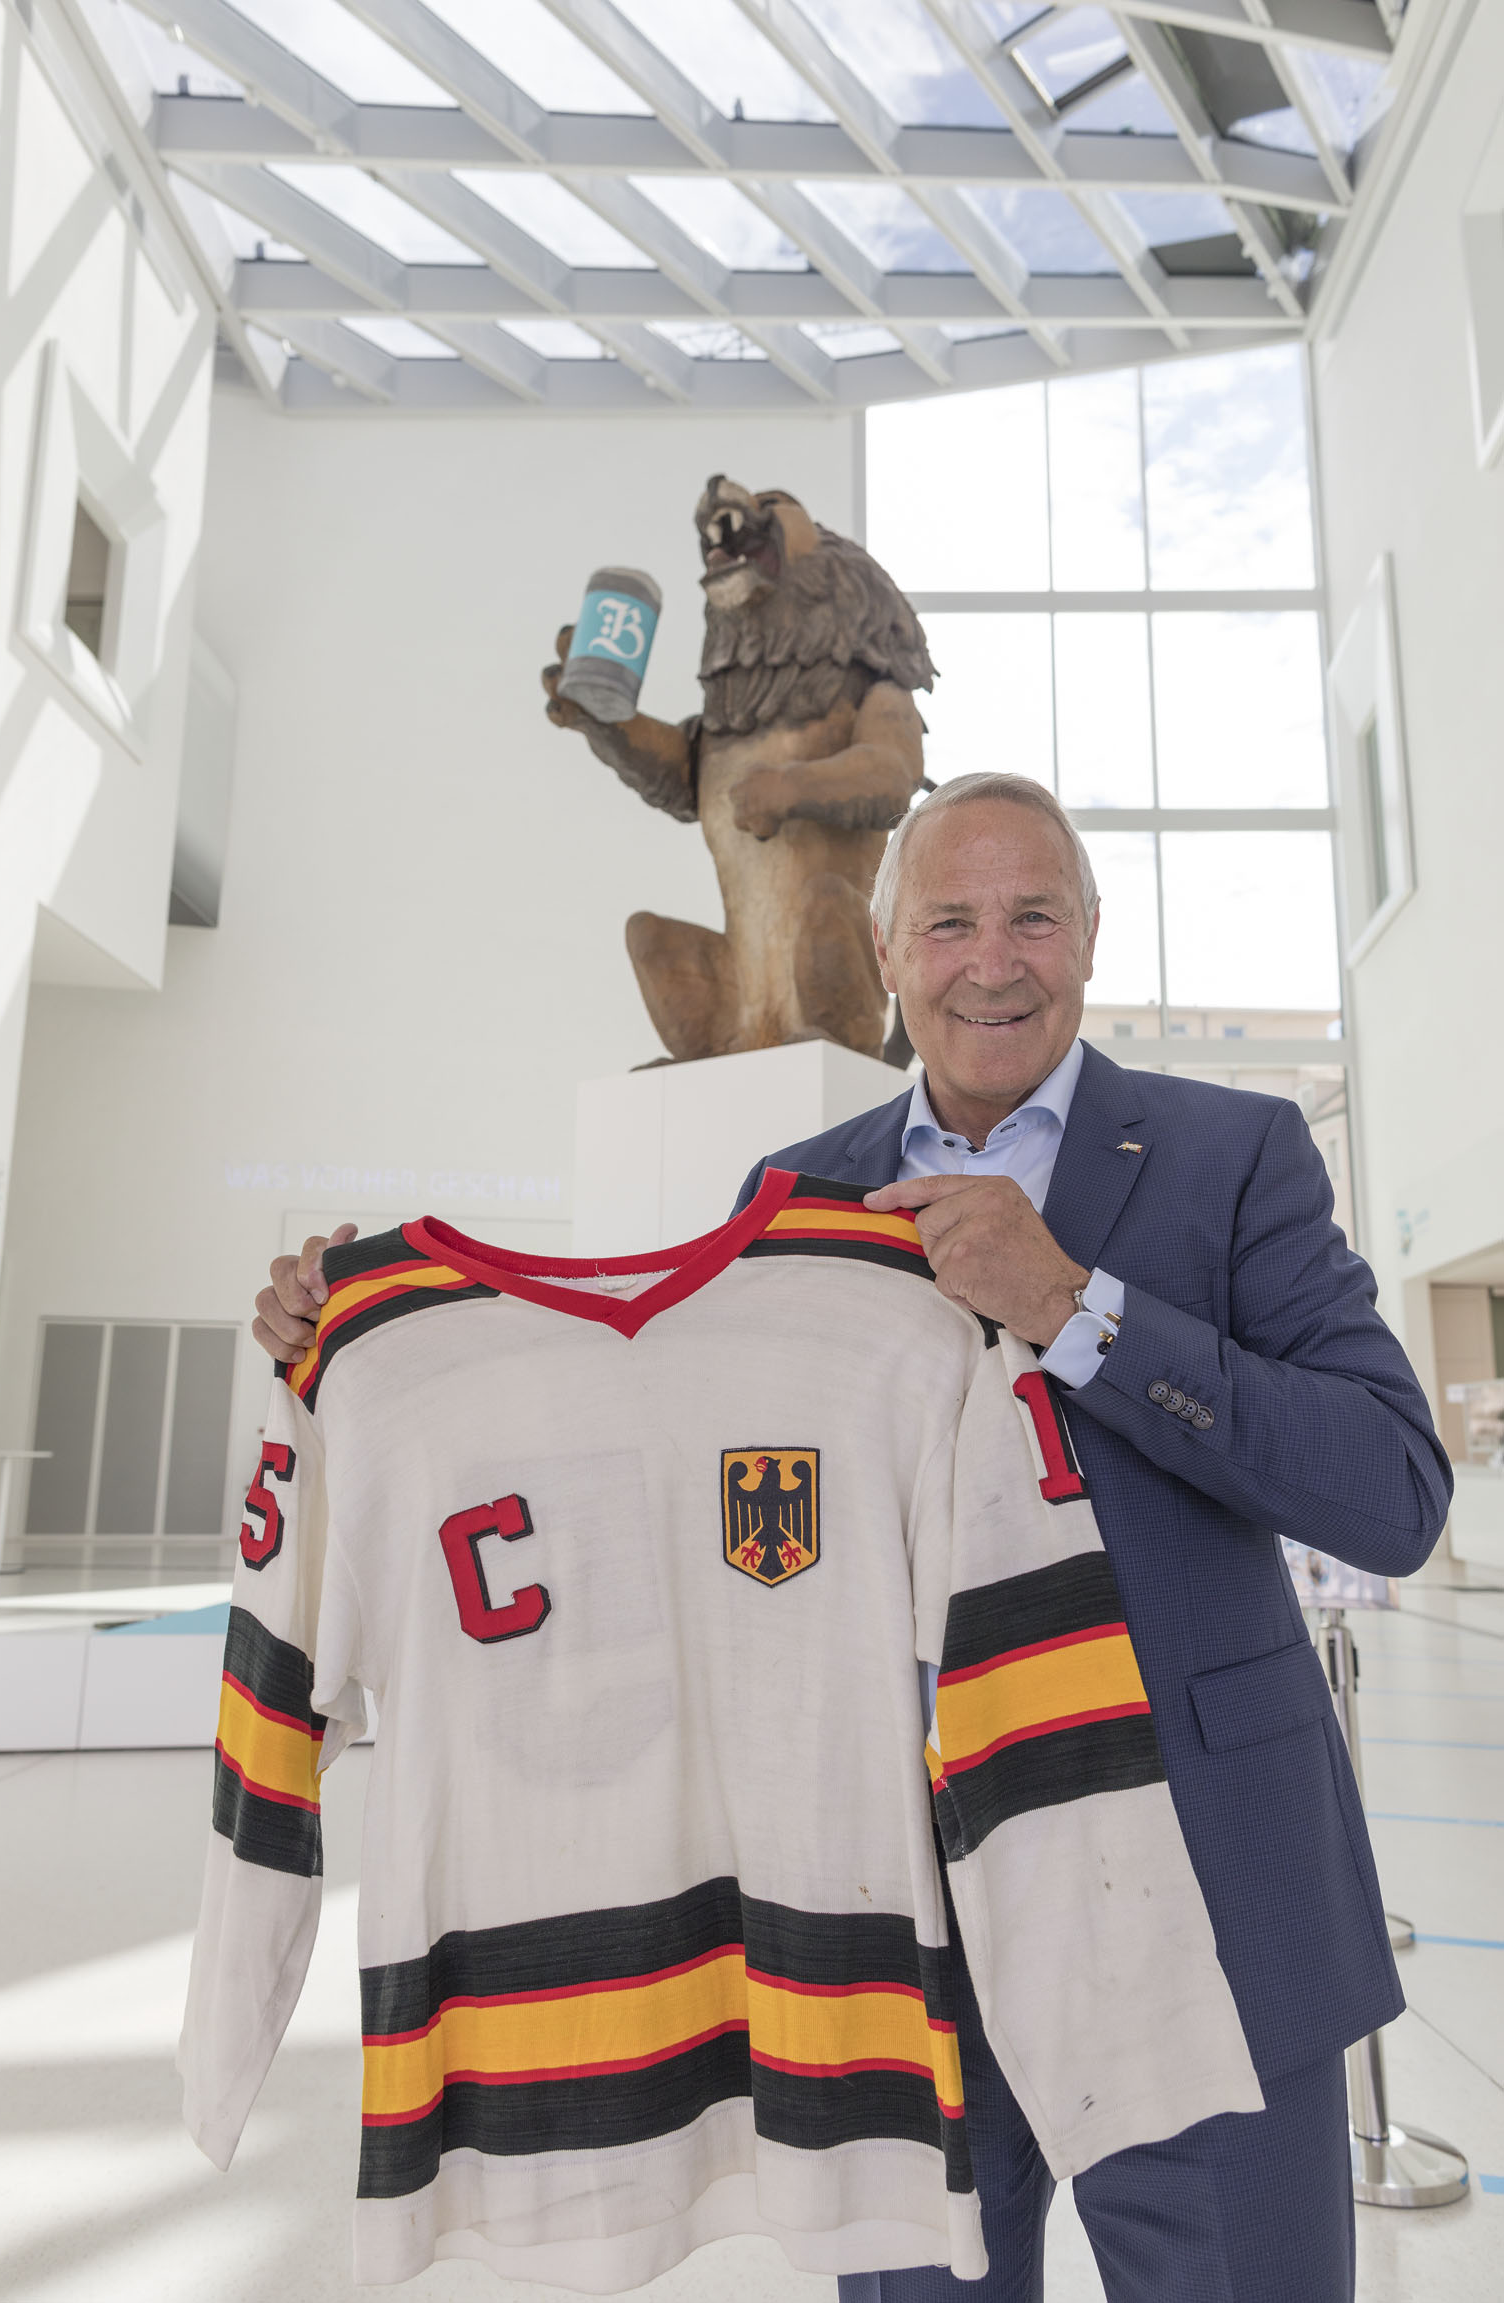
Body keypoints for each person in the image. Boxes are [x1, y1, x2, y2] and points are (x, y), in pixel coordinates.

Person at [253, 772, 1451, 2303]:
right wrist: (344, 1353)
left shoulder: (1235, 1157)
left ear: (1092, 937)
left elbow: (1392, 1492)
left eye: (1032, 917)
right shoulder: (792, 1200)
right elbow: (659, 1484)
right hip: (888, 1935)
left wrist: (1077, 1309)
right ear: (886, 956)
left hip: (1202, 1897)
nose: (992, 960)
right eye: (948, 921)